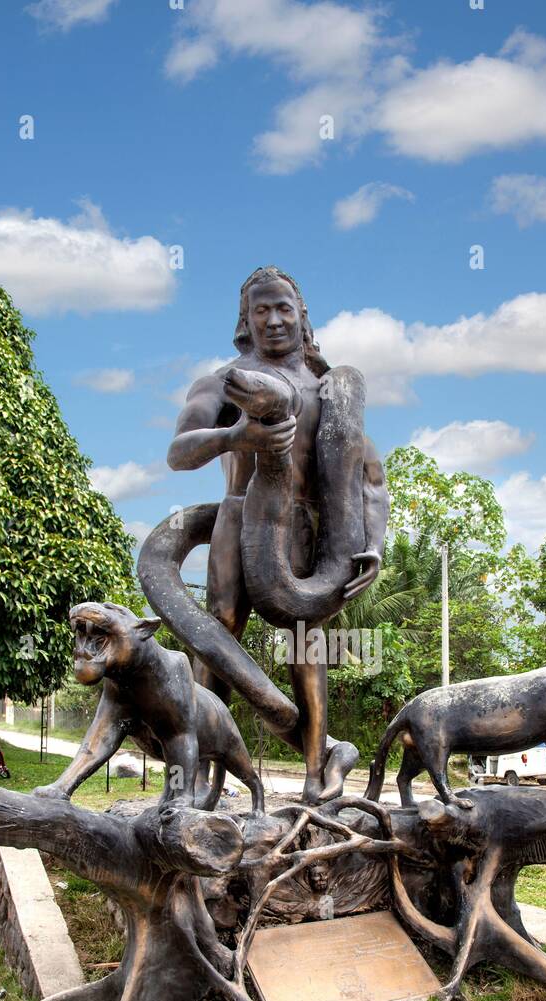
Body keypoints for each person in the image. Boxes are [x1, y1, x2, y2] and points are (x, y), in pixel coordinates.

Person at [167, 266, 387, 802]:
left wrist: (373, 544)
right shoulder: (225, 381)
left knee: (307, 645)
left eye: (283, 308)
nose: (272, 319)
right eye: (260, 310)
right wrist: (236, 434)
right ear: (245, 320)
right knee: (218, 632)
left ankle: (317, 773)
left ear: (301, 315)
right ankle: (195, 774)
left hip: (309, 528)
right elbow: (179, 453)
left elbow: (370, 477)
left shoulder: (329, 389)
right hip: (241, 518)